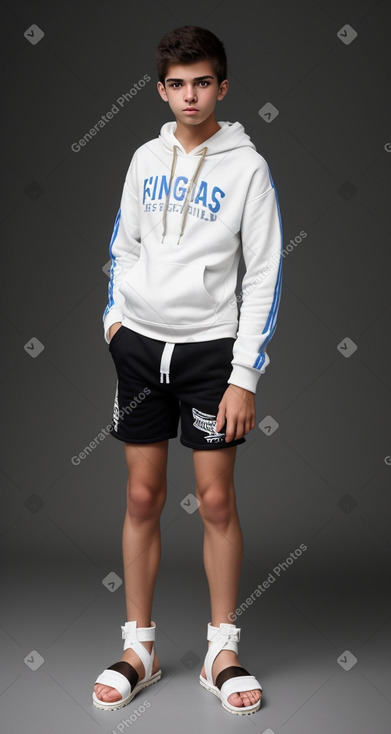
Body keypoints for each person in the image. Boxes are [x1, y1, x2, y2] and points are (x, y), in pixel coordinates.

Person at [92, 25, 283, 716]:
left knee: (214, 502)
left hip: (210, 354)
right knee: (141, 498)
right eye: (177, 84)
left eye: (202, 82)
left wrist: (244, 376)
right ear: (161, 90)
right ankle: (137, 647)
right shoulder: (145, 157)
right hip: (141, 346)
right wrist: (114, 321)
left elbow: (263, 273)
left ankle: (220, 651)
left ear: (222, 87)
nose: (190, 95)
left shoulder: (247, 169)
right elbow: (125, 242)